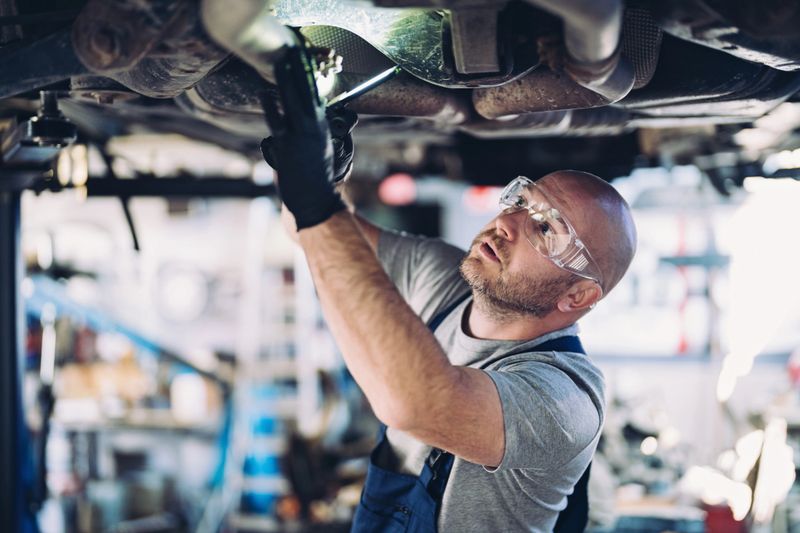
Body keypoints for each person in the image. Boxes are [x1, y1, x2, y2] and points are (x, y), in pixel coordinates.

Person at [261, 44, 637, 532]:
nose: (507, 222)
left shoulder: (565, 401)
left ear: (578, 297)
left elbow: (414, 404)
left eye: (547, 229)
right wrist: (319, 165)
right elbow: (312, 235)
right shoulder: (445, 280)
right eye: (521, 202)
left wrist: (313, 198)